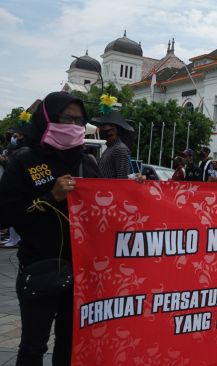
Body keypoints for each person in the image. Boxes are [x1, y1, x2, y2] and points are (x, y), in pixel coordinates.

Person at [0, 92, 101, 365]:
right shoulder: (25, 161)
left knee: (70, 346)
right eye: (67, 118)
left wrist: (137, 191)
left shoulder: (88, 163)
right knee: (33, 347)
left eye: (80, 120)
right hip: (39, 268)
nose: (74, 125)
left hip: (82, 274)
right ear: (47, 119)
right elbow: (6, 214)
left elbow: (108, 210)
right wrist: (50, 198)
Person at [91, 111, 134, 179]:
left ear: (114, 128)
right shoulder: (110, 148)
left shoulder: (120, 149)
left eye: (104, 126)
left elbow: (122, 179)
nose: (100, 129)